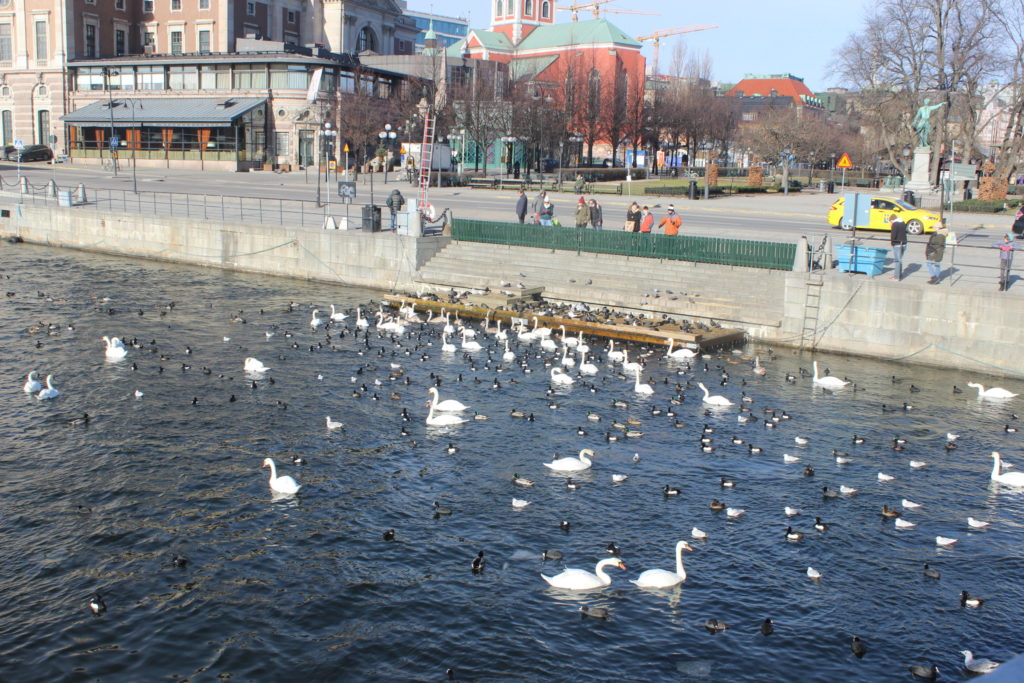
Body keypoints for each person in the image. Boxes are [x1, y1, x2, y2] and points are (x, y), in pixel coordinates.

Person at [889, 213, 908, 280]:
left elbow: (893, 235)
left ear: (892, 220)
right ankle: (900, 275)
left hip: (897, 244)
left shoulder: (895, 224)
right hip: (904, 243)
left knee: (897, 261)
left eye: (890, 221)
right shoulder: (903, 222)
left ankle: (896, 277)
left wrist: (892, 243)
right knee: (900, 260)